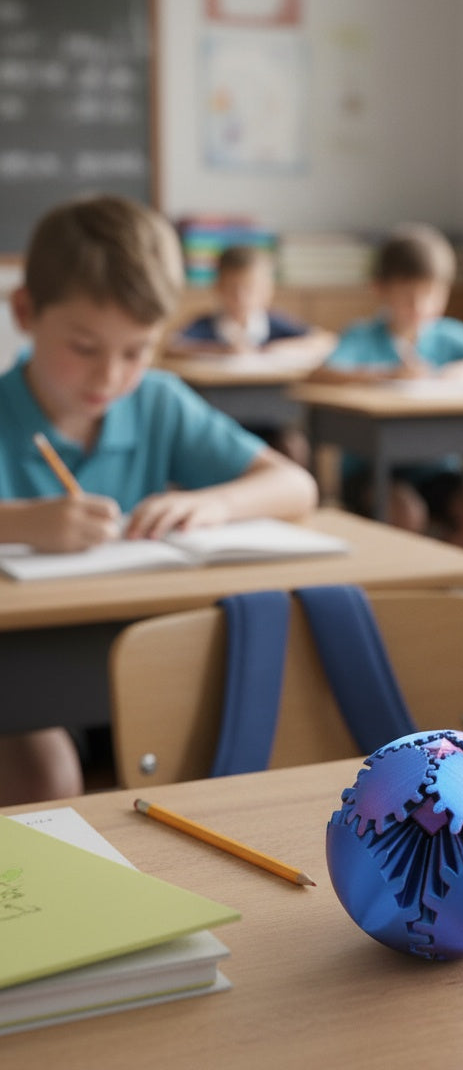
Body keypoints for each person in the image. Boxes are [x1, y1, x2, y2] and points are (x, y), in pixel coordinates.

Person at [0, 195, 318, 806]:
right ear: (25, 312)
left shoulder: (158, 402)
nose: (110, 377)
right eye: (85, 347)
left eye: (137, 350)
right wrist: (22, 523)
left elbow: (294, 484)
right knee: (44, 779)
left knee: (233, 749)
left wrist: (216, 504)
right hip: (24, 660)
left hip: (139, 646)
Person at [310, 222, 463, 553]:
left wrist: (462, 372)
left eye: (431, 295)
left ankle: (440, 588)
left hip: (435, 470)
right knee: (405, 512)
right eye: (408, 295)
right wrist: (387, 375)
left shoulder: (447, 335)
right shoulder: (362, 336)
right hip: (371, 471)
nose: (420, 306)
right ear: (381, 289)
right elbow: (322, 374)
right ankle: (406, 586)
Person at [166, 244, 334, 464]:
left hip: (269, 423)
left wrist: (281, 347)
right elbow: (173, 347)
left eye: (250, 288)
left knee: (294, 445)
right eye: (233, 288)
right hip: (218, 423)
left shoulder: (273, 323)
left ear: (267, 290)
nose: (242, 297)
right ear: (218, 287)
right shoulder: (206, 325)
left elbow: (325, 340)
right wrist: (221, 350)